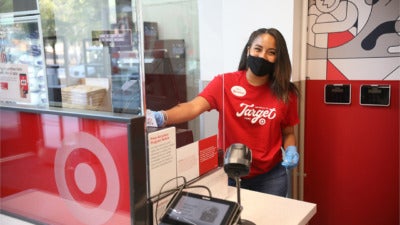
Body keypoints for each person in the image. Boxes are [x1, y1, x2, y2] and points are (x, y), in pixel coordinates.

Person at [147, 28, 300, 197]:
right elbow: (193, 107)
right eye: (258, 49)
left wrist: (291, 149)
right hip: (230, 174)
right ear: (248, 49)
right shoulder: (224, 83)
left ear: (278, 58)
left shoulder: (285, 92)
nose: (263, 56)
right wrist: (162, 117)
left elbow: (288, 132)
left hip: (270, 177)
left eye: (271, 52)